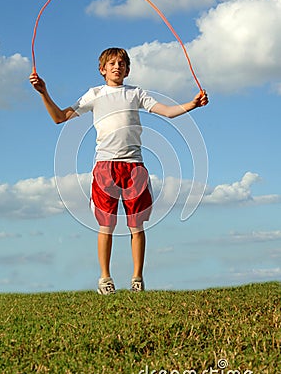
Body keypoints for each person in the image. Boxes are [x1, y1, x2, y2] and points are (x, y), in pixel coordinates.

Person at [30, 47, 208, 295]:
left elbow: (167, 112)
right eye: (112, 63)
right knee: (107, 225)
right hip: (105, 167)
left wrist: (193, 104)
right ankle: (105, 278)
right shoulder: (94, 94)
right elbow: (59, 118)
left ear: (128, 69)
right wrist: (43, 92)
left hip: (134, 166)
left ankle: (137, 279)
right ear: (102, 70)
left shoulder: (136, 93)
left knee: (137, 225)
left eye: (122, 63)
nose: (117, 66)